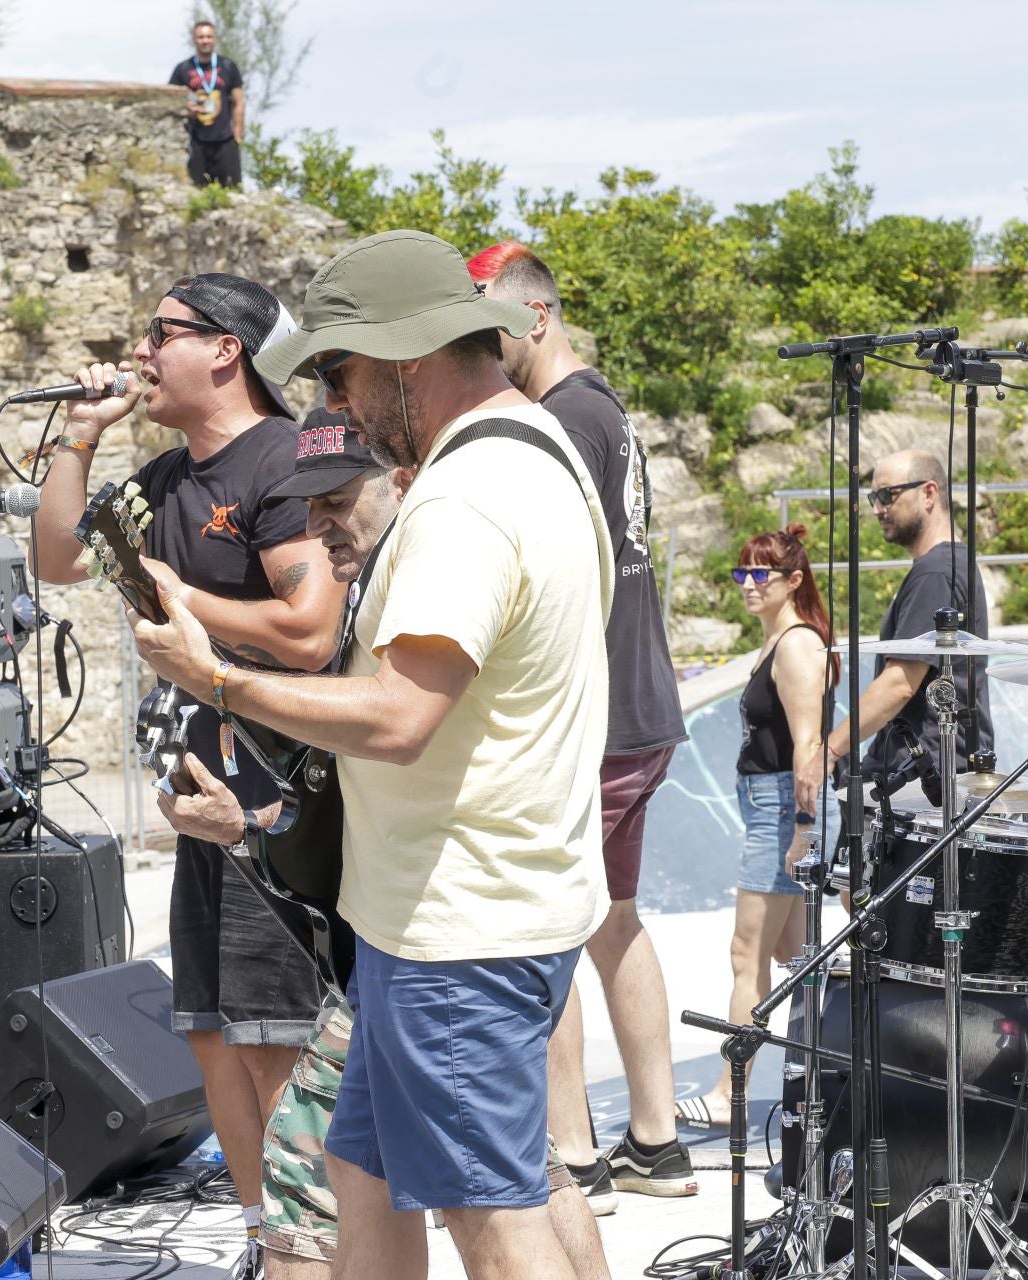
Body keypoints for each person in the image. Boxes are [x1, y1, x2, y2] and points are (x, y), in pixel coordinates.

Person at [132, 229, 614, 1280]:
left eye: (342, 374)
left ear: (403, 360)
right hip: (476, 905)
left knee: (492, 1215)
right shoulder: (540, 452)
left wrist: (212, 676)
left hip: (459, 926)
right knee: (367, 1168)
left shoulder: (465, 498)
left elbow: (400, 715)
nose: (335, 406)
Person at [32, 273, 343, 1278]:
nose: (139, 352)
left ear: (225, 349)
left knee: (274, 1042)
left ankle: (317, 1243)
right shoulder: (168, 478)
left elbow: (311, 628)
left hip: (279, 806)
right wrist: (78, 437)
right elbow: (55, 560)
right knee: (211, 1035)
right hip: (202, 803)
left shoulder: (284, 459)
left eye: (160, 334)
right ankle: (267, 1243)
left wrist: (189, 607)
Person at [467, 241, 695, 1209]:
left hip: (594, 717)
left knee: (548, 926)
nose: (479, 343)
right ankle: (657, 1138)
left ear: (538, 316)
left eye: (491, 323)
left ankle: (575, 1152)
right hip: (641, 707)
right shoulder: (605, 409)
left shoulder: (561, 419)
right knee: (612, 921)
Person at [679, 526, 837, 1130]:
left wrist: (803, 830)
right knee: (795, 958)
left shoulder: (797, 646)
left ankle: (729, 1095)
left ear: (793, 581)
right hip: (769, 805)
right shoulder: (782, 642)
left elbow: (808, 747)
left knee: (747, 954)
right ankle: (819, 1078)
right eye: (741, 573)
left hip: (780, 809)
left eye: (759, 575)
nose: (747, 585)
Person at [823, 450, 991, 784]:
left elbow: (899, 683)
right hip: (926, 766)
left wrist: (828, 752)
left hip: (922, 772)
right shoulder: (949, 565)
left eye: (887, 495)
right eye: (873, 497)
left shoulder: (935, 574)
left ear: (928, 493)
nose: (877, 509)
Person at [169, 20, 244, 188]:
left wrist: (237, 136)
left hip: (224, 139)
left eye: (209, 36)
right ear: (194, 39)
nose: (205, 40)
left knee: (232, 190)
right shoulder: (183, 69)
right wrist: (185, 107)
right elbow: (171, 101)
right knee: (195, 189)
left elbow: (239, 102)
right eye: (201, 37)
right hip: (196, 139)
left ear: (215, 39)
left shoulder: (228, 66)